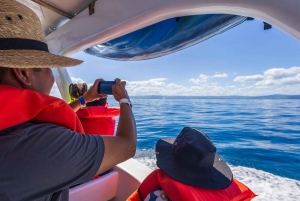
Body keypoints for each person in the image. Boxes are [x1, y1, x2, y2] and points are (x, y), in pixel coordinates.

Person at [0, 0, 136, 201]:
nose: (52, 76)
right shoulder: (41, 145)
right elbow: (127, 146)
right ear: (23, 73)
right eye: (48, 67)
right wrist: (125, 100)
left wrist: (84, 99)